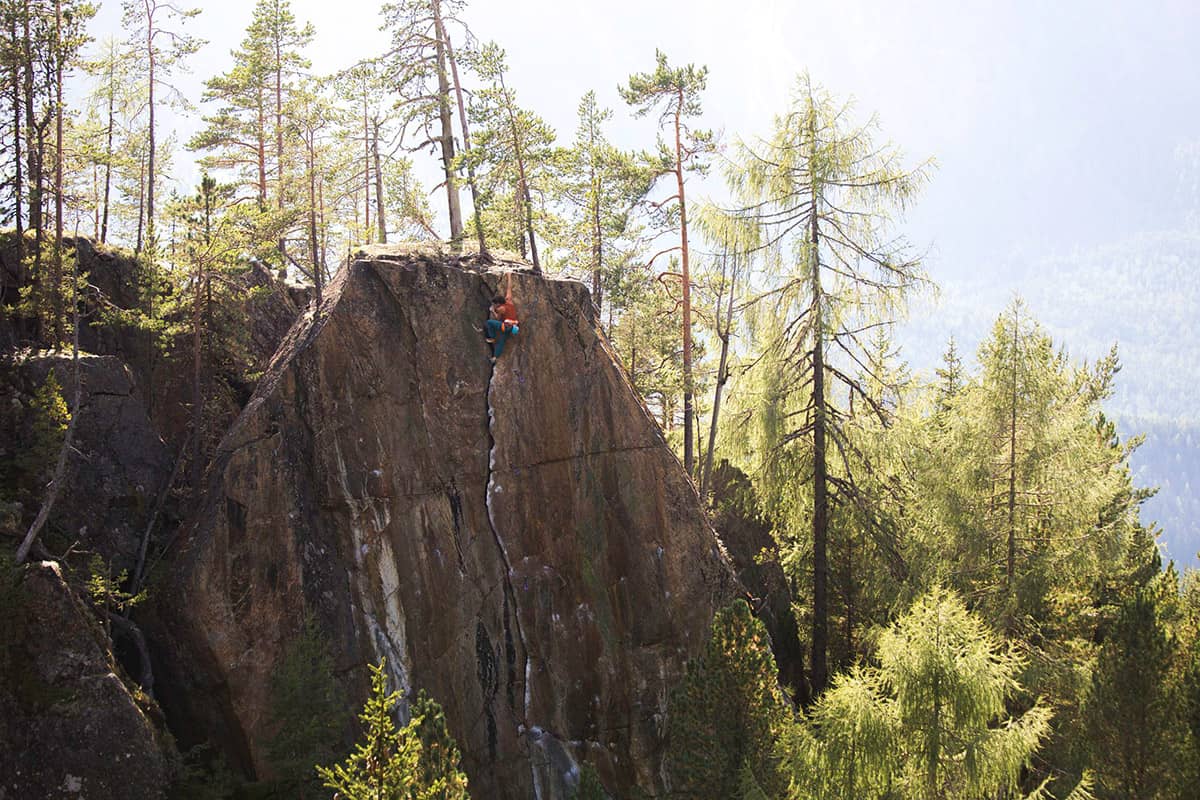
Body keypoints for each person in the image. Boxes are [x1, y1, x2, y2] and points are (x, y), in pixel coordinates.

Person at [485, 272, 519, 363]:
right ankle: (494, 358)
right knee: (502, 341)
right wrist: (509, 276)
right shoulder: (509, 300)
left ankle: (492, 337)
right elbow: (509, 288)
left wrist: (492, 311)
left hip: (506, 326)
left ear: (498, 304)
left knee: (489, 322)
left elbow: (498, 319)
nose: (494, 306)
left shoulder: (501, 309)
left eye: (495, 304)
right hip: (513, 327)